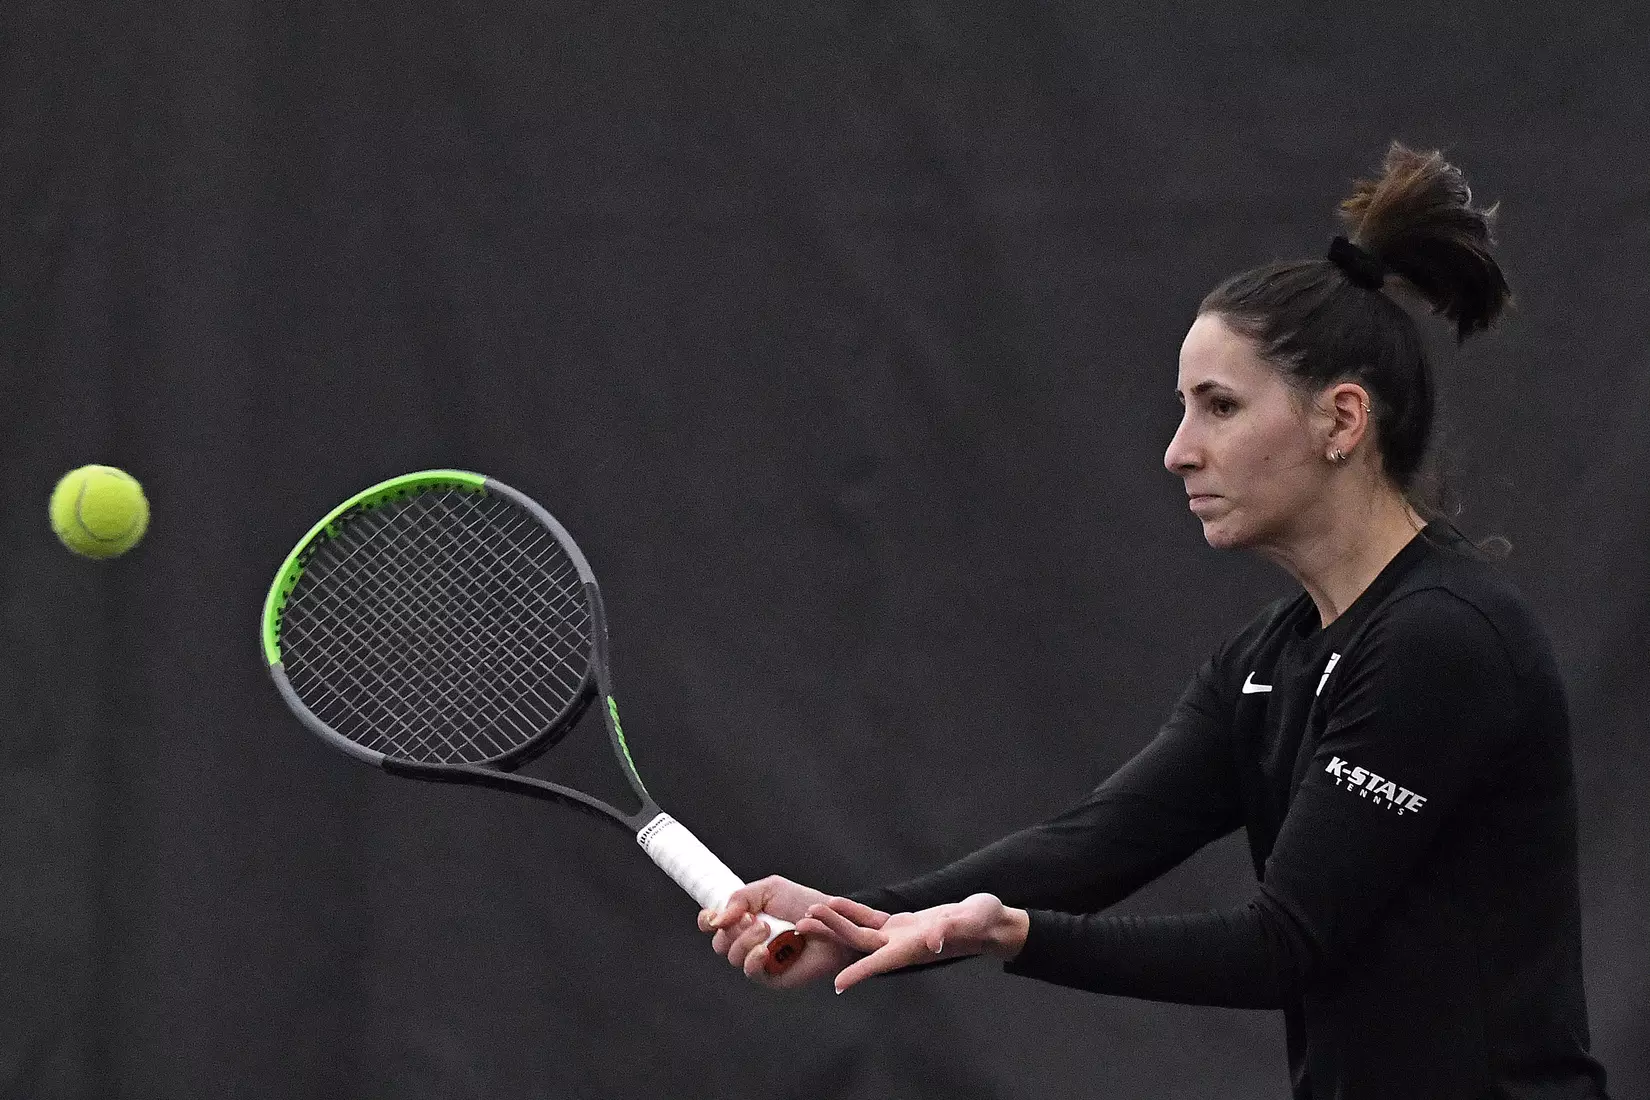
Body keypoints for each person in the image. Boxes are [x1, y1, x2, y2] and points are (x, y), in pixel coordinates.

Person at [696, 144, 1613, 1099]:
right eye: (1184, 409)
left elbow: (1281, 946)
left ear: (1342, 421)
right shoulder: (1266, 660)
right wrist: (855, 922)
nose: (1179, 451)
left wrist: (1016, 936)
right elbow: (1093, 846)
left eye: (1220, 407)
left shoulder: (1443, 642)